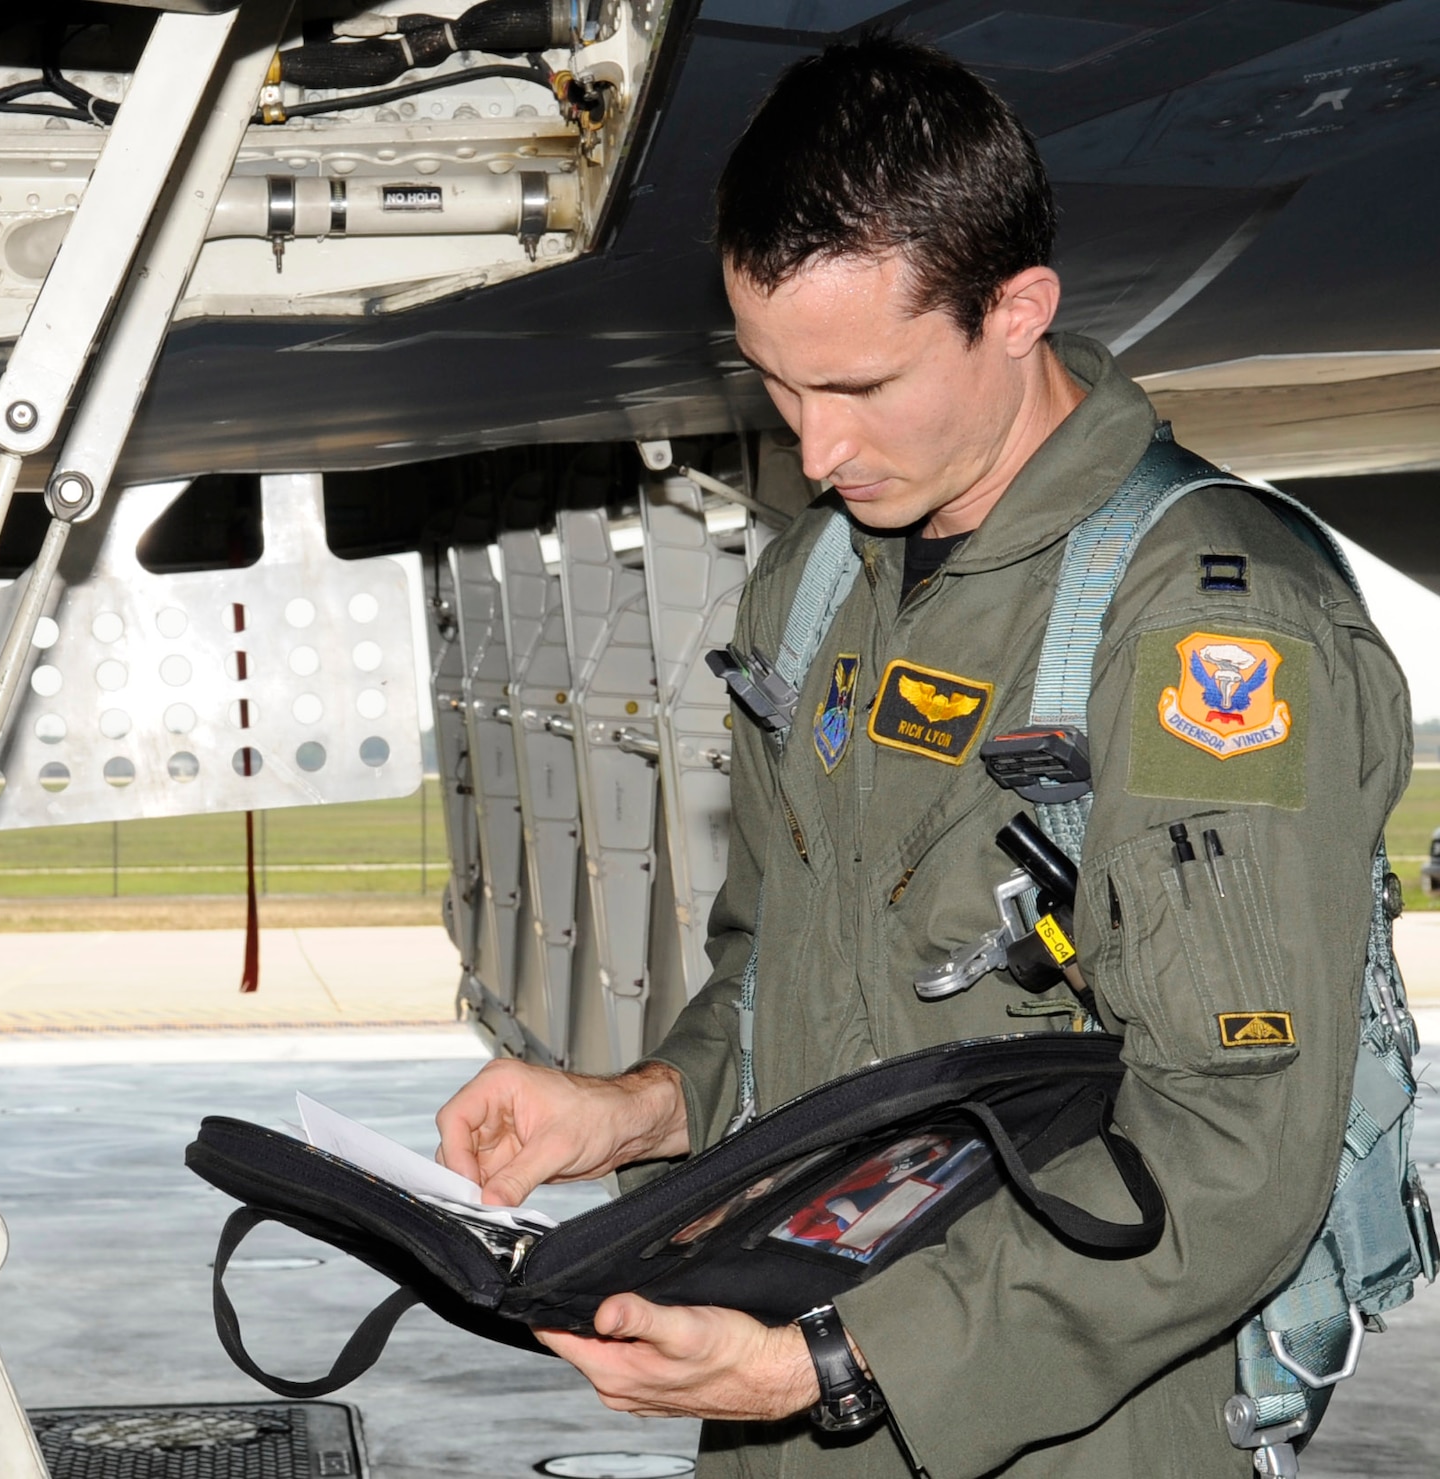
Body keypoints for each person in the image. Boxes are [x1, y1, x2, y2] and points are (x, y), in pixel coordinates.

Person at [435, 31, 1410, 1479]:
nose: (816, 451)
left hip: (1053, 1425)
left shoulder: (1207, 634)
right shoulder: (820, 585)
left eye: (867, 387)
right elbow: (784, 977)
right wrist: (638, 1109)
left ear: (1017, 311)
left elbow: (1238, 1152)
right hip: (792, 1397)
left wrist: (840, 1363)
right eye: (777, 384)